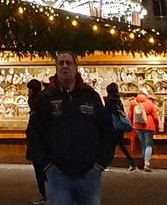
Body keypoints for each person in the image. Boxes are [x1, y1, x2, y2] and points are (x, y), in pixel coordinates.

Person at [26, 51, 116, 205]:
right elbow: (33, 133)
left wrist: (101, 163)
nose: (65, 66)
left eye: (68, 63)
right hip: (57, 176)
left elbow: (107, 129)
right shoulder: (45, 98)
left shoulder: (90, 96)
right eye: (61, 63)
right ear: (56, 68)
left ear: (76, 67)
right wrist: (46, 165)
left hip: (89, 175)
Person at [102, 82, 137, 171]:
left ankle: (108, 164)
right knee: (120, 145)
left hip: (112, 126)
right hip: (119, 126)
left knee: (111, 145)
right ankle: (132, 163)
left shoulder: (109, 100)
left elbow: (107, 113)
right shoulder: (119, 100)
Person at [26, 78, 48, 205]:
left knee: (40, 168)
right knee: (40, 168)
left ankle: (45, 194)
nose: (28, 92)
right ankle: (45, 193)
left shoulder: (37, 102)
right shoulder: (37, 100)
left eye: (29, 89)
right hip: (37, 139)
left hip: (38, 140)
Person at [129, 86, 159, 171]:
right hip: (149, 126)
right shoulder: (150, 103)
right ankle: (147, 163)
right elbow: (155, 117)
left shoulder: (133, 103)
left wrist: (132, 125)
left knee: (143, 144)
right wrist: (157, 126)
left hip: (137, 126)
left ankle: (144, 161)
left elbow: (130, 116)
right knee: (148, 144)